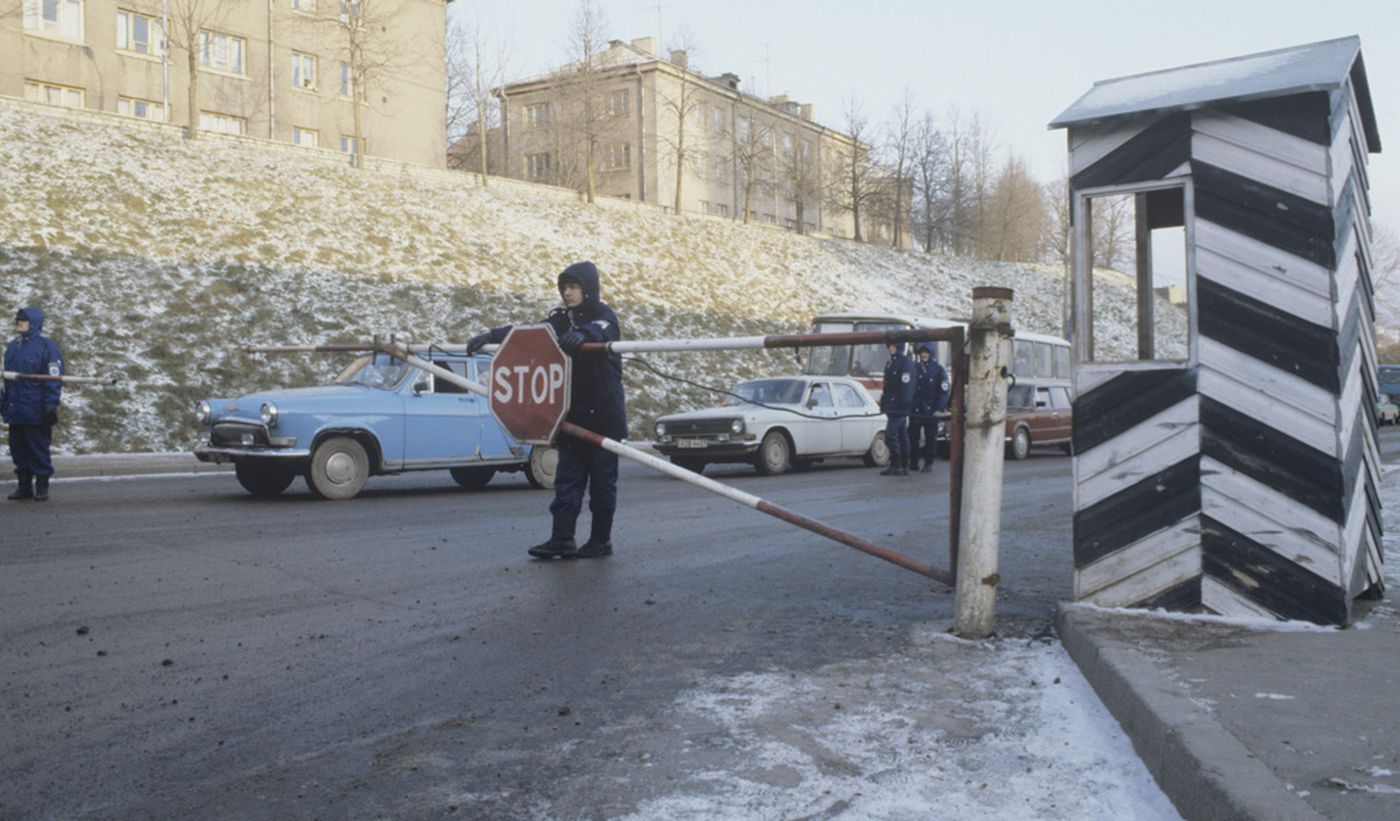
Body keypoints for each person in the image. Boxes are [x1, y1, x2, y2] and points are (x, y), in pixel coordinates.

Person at [467, 262, 626, 559]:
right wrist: (492, 336)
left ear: (588, 289)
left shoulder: (604, 317)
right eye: (564, 287)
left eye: (574, 287)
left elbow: (603, 332)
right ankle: (562, 538)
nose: (567, 292)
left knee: (603, 485)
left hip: (604, 418)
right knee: (567, 481)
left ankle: (600, 540)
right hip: (570, 415)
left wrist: (585, 336)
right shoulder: (560, 321)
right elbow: (527, 333)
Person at [3, 308, 64, 501]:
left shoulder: (47, 347)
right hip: (16, 410)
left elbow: (53, 378)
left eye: (23, 320)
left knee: (37, 448)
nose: (18, 323)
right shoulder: (13, 347)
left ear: (34, 323)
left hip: (36, 410)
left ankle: (42, 486)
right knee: (18, 448)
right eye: (17, 320)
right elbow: (7, 380)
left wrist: (50, 405)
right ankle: (24, 486)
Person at [909, 343, 950, 473]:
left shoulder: (938, 370)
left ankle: (928, 463)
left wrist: (939, 408)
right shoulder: (914, 368)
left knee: (930, 439)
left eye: (926, 352)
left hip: (931, 411)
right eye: (922, 352)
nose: (924, 355)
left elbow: (943, 391)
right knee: (913, 438)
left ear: (931, 354)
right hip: (916, 409)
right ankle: (913, 462)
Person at [878, 340, 916, 476]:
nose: (890, 349)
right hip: (892, 404)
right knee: (902, 436)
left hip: (899, 405)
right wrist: (884, 402)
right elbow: (887, 385)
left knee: (890, 436)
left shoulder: (905, 363)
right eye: (890, 346)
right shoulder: (890, 363)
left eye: (893, 346)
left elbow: (907, 385)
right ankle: (904, 464)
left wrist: (904, 404)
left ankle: (897, 463)